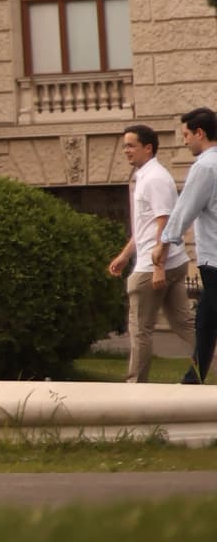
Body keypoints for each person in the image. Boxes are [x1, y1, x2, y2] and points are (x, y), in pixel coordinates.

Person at [108, 123, 194, 382]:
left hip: (154, 266)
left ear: (148, 148)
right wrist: (125, 255)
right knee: (185, 325)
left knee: (140, 329)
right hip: (171, 262)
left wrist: (158, 266)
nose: (126, 151)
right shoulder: (147, 175)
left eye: (131, 145)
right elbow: (145, 226)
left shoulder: (154, 178)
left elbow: (164, 222)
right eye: (124, 146)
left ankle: (136, 386)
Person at [153, 106, 217, 383]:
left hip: (214, 258)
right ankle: (195, 374)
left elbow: (184, 209)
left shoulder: (204, 166)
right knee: (207, 314)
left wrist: (164, 242)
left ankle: (194, 377)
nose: (184, 140)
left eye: (186, 134)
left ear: (199, 133)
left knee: (206, 315)